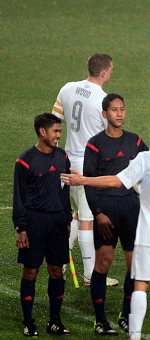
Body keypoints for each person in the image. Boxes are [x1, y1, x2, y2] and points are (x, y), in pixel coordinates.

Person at [61, 118, 150, 340]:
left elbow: (116, 181)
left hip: (148, 235)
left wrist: (84, 180)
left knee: (141, 285)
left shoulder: (145, 159)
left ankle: (136, 335)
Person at [83, 94, 149, 335]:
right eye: (114, 110)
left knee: (134, 265)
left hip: (131, 207)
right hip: (106, 210)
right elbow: (88, 183)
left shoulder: (136, 141)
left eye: (122, 109)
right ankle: (100, 320)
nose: (119, 114)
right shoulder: (94, 144)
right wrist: (98, 213)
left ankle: (126, 313)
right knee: (104, 262)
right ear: (104, 114)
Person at [52, 53, 118, 286]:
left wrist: (56, 157)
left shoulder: (67, 88)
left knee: (78, 215)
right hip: (87, 166)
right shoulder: (103, 100)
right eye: (111, 70)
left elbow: (54, 122)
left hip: (67, 160)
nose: (111, 73)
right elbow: (109, 138)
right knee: (87, 219)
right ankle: (91, 273)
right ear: (103, 73)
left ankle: (58, 259)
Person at [13, 113, 72, 336]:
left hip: (58, 222)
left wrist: (67, 218)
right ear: (42, 132)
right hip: (34, 222)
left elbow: (65, 190)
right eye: (55, 131)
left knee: (57, 271)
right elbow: (18, 198)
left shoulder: (62, 157)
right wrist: (21, 228)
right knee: (31, 272)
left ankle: (54, 320)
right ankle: (28, 321)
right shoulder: (25, 161)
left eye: (59, 131)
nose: (59, 135)